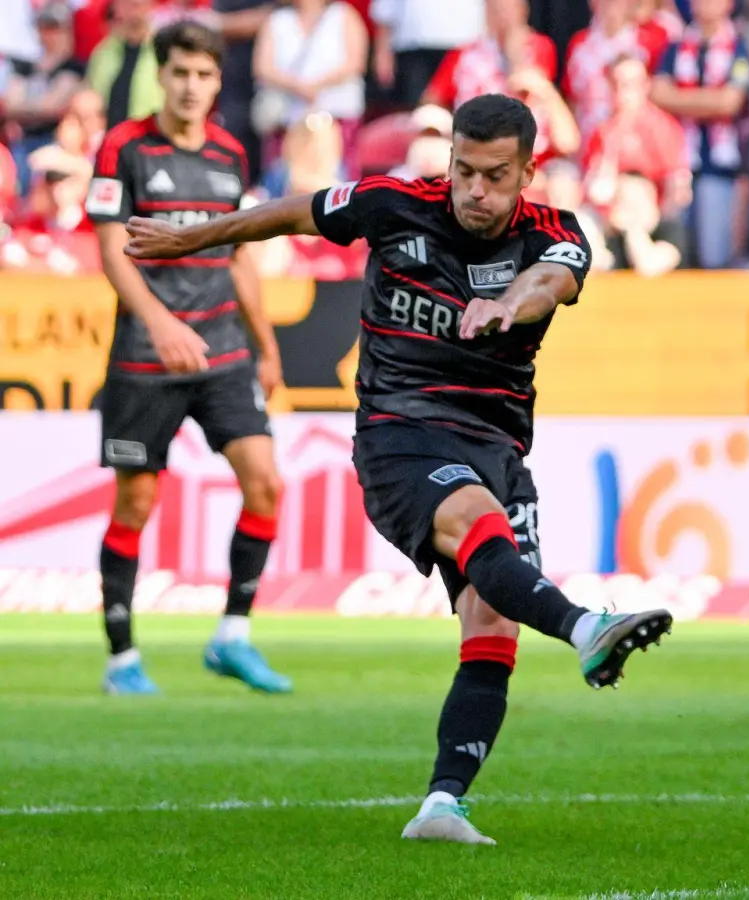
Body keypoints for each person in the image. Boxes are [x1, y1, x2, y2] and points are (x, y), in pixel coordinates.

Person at [120, 93, 673, 844]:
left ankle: (442, 804)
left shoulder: (557, 235)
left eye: (495, 177)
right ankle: (584, 627)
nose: (476, 191)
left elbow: (552, 283)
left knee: (493, 620)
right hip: (399, 432)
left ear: (528, 173)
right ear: (449, 161)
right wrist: (196, 239)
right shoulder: (391, 204)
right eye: (464, 171)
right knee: (481, 527)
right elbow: (288, 214)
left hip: (496, 444)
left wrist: (509, 301)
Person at [85, 21, 290, 696]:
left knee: (265, 482)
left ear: (216, 81)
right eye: (179, 73)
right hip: (148, 355)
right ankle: (122, 660)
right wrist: (160, 322)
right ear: (162, 75)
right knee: (136, 503)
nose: (191, 87)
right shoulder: (125, 146)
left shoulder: (231, 153)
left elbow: (240, 258)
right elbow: (112, 249)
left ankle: (232, 635)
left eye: (204, 76)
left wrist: (267, 348)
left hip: (224, 350)